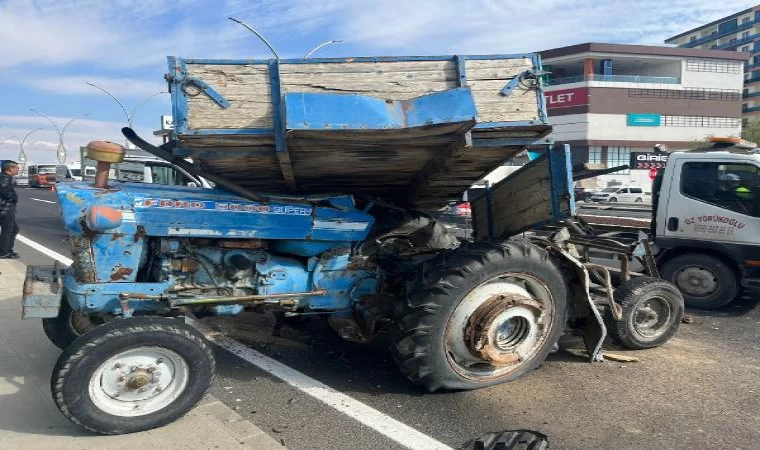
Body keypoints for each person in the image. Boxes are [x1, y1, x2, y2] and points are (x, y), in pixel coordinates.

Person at [0, 160, 20, 259]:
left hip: (6, 207)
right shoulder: (5, 178)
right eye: (16, 168)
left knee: (14, 228)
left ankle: (7, 249)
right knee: (8, 230)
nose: (18, 170)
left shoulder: (6, 177)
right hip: (5, 208)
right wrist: (12, 199)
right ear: (10, 168)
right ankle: (3, 252)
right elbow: (4, 191)